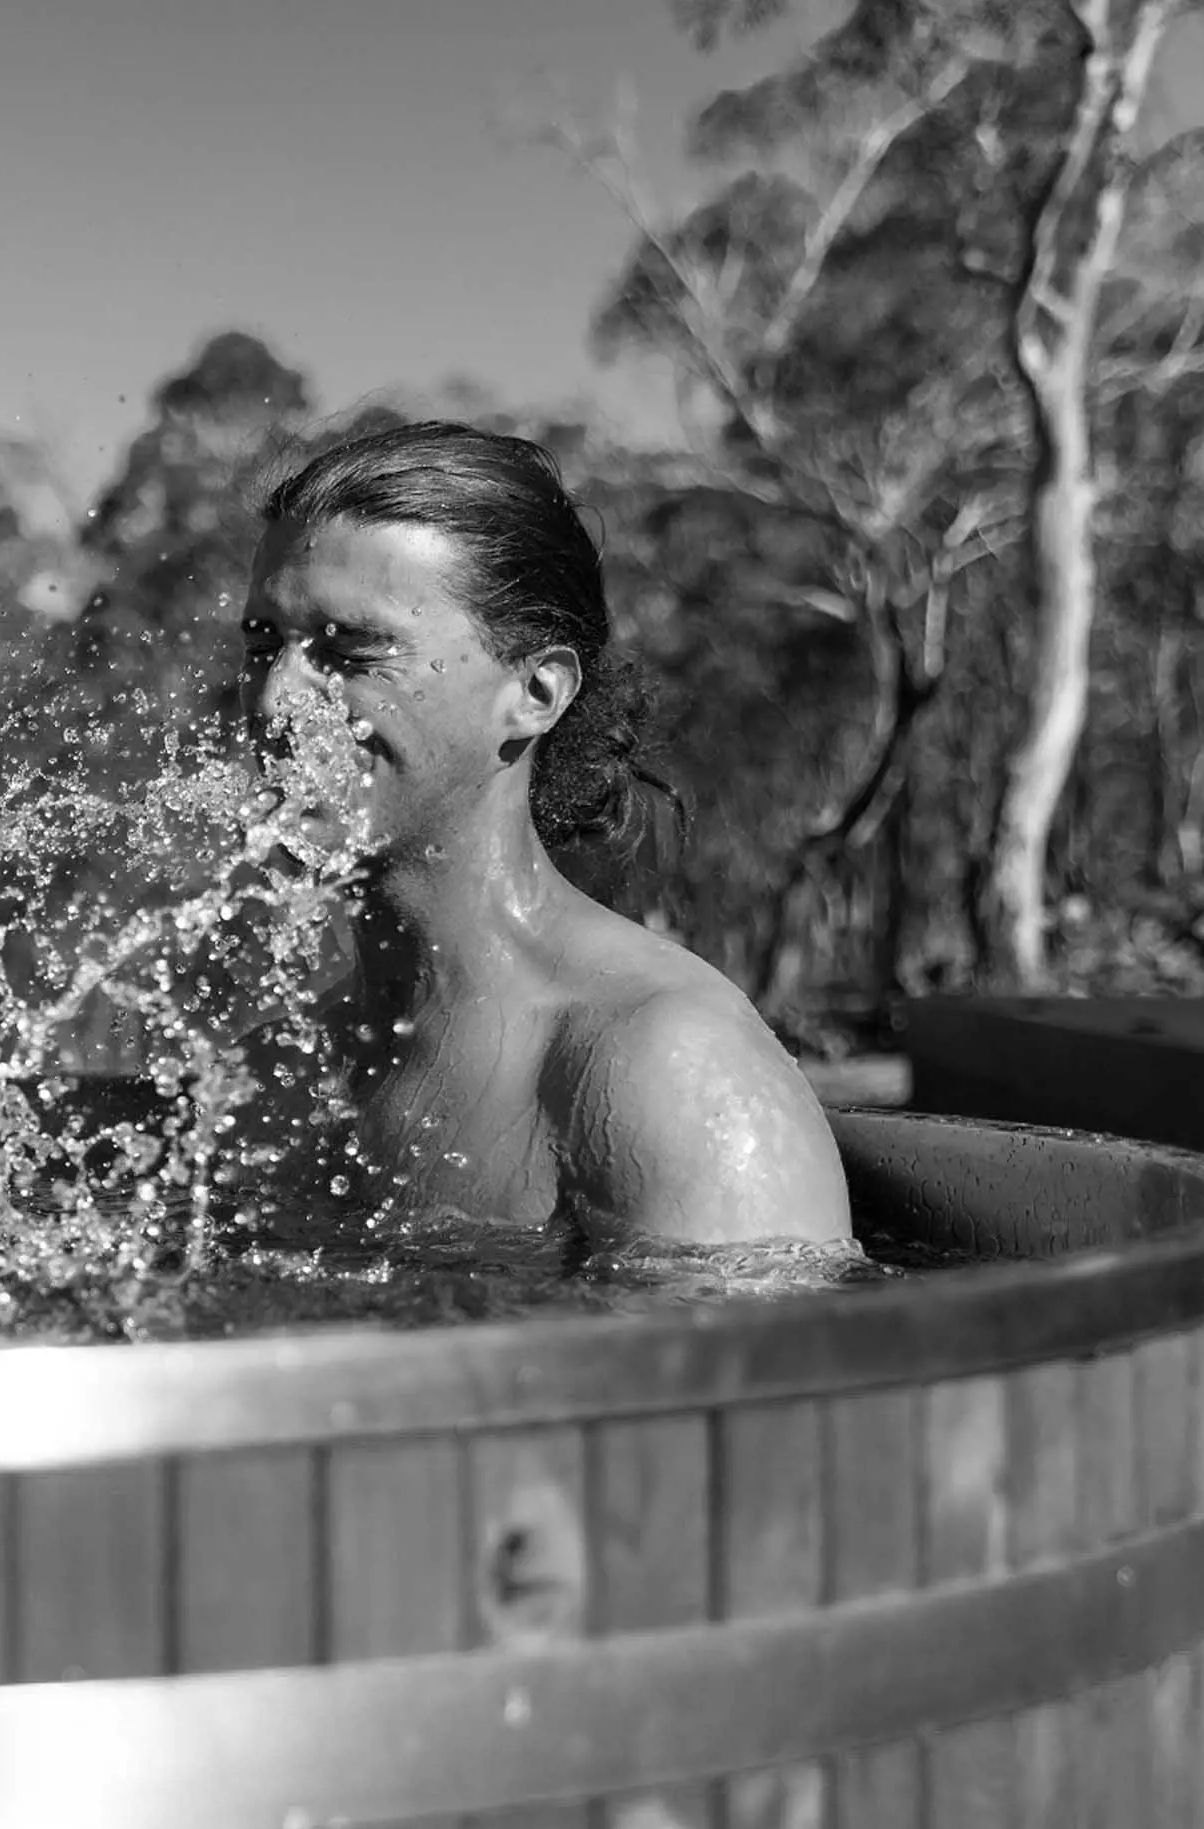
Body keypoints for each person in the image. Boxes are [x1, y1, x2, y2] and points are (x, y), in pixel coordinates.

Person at [238, 421, 852, 1246]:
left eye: (351, 651)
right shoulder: (279, 1066)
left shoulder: (659, 1070)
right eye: (263, 644)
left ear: (535, 692)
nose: (275, 703)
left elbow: (770, 1370)